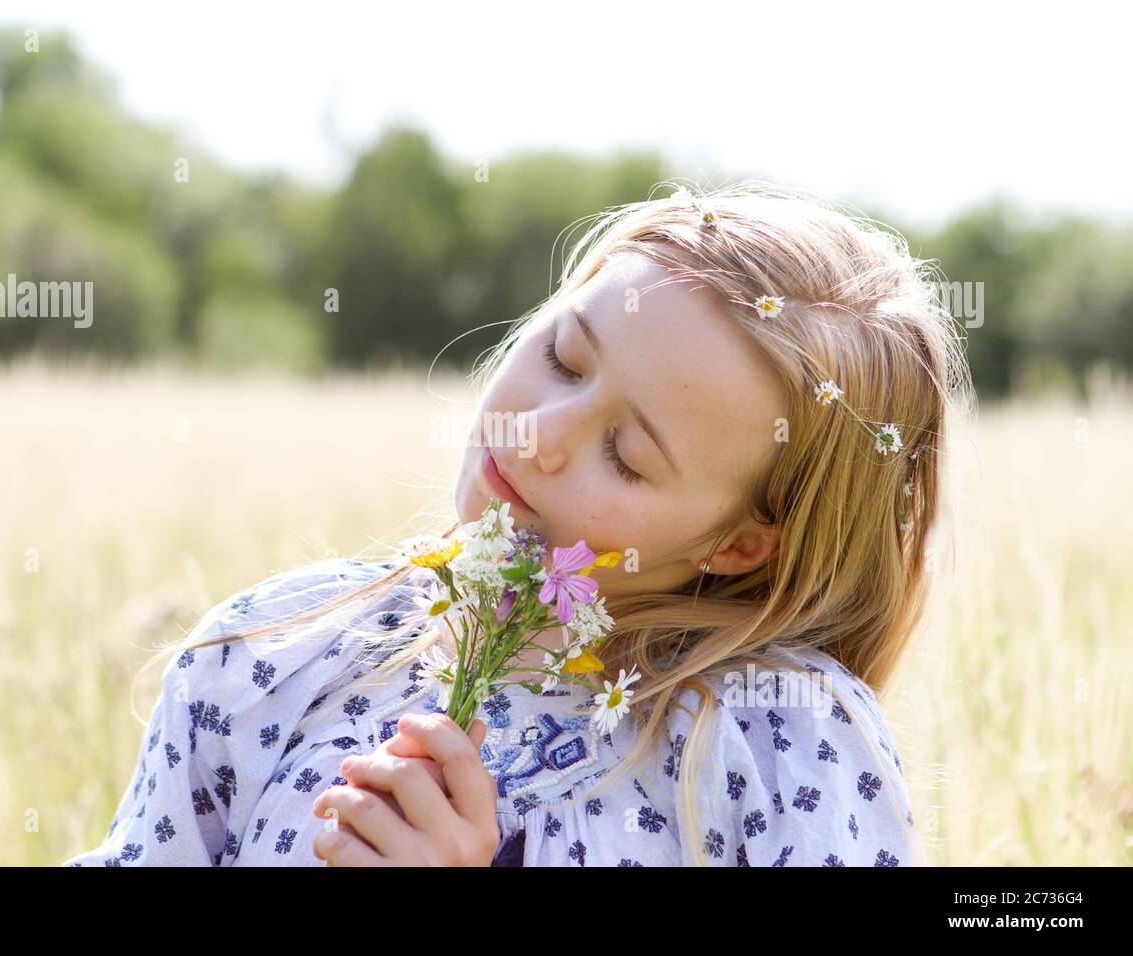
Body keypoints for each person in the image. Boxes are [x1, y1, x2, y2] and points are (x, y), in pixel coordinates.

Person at [64, 180, 972, 866]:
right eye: (564, 356)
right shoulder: (280, 652)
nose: (535, 433)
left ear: (736, 544)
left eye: (627, 455)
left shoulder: (775, 737)